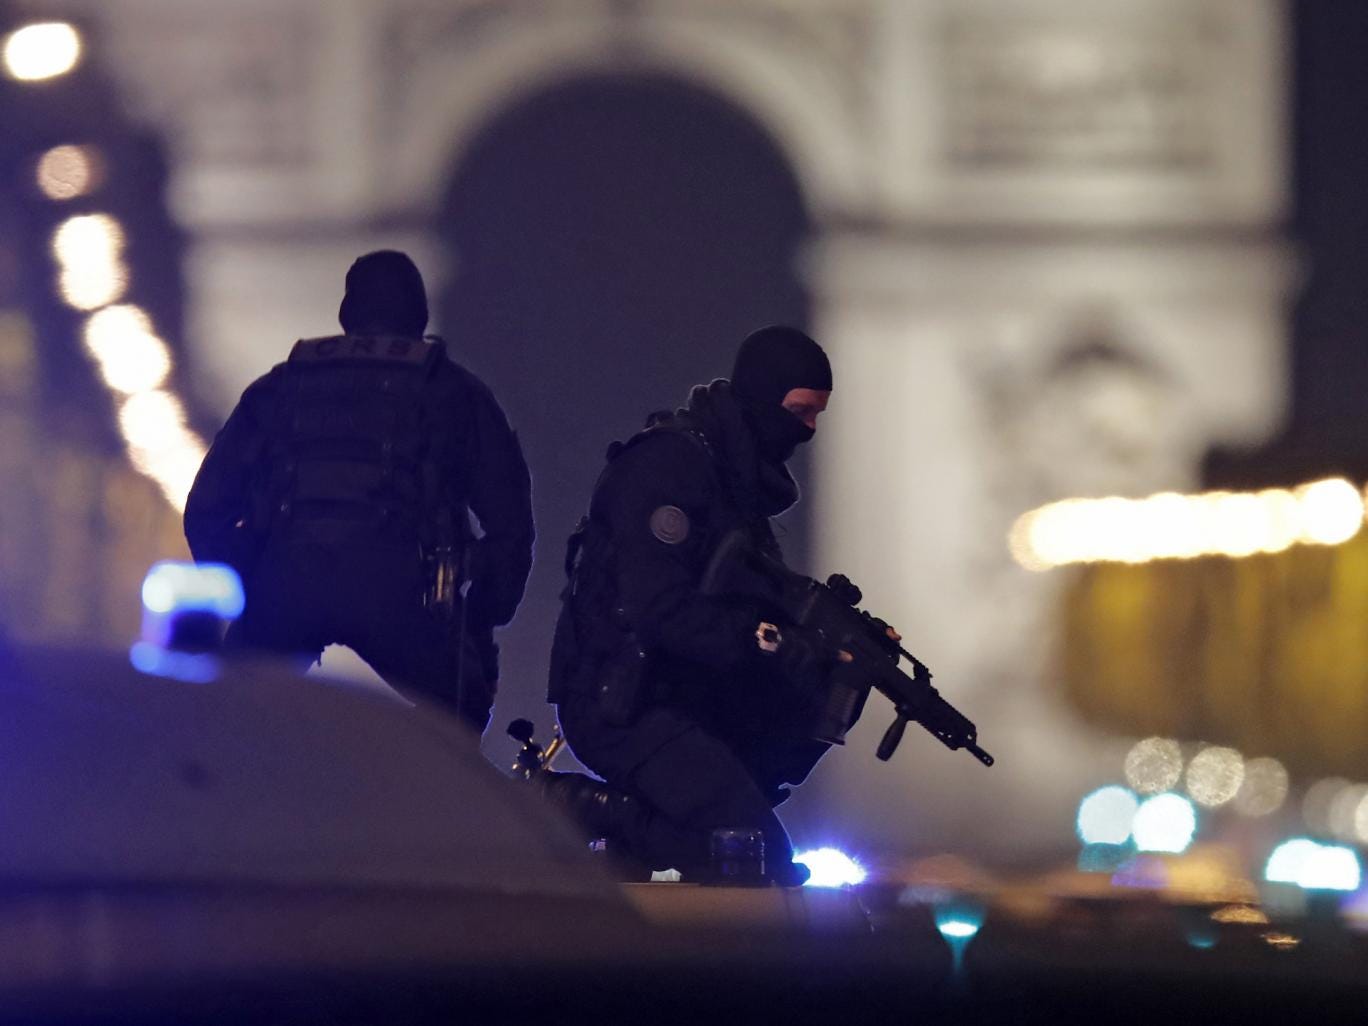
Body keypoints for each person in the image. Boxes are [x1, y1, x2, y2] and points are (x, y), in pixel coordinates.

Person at [183, 250, 533, 734]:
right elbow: (510, 526)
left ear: (346, 314)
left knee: (233, 727)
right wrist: (481, 615)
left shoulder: (279, 387)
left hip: (287, 585)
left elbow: (206, 512)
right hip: (407, 595)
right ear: (420, 316)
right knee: (458, 722)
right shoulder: (454, 392)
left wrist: (256, 578)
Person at [546, 326, 845, 885]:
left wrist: (828, 648)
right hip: (622, 700)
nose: (806, 430)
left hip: (684, 699)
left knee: (733, 838)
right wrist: (770, 641)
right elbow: (660, 608)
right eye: (799, 410)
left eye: (816, 415)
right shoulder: (671, 467)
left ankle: (625, 840)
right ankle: (585, 807)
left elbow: (748, 594)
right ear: (762, 396)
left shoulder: (735, 484)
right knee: (752, 854)